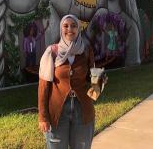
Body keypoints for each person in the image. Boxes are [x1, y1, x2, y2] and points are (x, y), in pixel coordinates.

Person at [38, 14, 106, 149]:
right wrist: (43, 117)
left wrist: (98, 83)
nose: (70, 29)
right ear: (61, 29)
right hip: (57, 111)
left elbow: (92, 80)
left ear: (78, 29)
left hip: (83, 111)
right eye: (66, 26)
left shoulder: (86, 50)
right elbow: (43, 87)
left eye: (74, 26)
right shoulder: (52, 52)